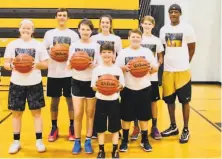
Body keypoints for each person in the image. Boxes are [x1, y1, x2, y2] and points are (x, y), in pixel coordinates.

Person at [4, 19, 49, 154]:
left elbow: (46, 64)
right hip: (17, 83)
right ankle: (16, 141)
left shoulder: (38, 45)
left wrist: (36, 65)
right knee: (16, 114)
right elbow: (6, 64)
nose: (26, 30)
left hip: (34, 83)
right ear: (19, 29)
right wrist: (13, 65)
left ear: (32, 31)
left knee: (36, 113)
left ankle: (39, 140)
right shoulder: (12, 45)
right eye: (24, 28)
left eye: (29, 28)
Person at [116, 29, 158, 152]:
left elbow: (155, 68)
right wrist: (124, 67)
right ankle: (124, 140)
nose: (135, 39)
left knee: (144, 117)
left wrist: (151, 68)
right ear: (129, 38)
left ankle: (145, 140)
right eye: (133, 37)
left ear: (141, 39)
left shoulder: (147, 52)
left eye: (137, 37)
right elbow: (117, 69)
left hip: (144, 87)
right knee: (126, 117)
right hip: (127, 88)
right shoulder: (123, 52)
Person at [159, 4, 196, 143]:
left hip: (183, 71)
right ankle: (173, 126)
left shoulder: (187, 28)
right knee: (169, 100)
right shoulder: (163, 30)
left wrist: (185, 62)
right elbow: (163, 49)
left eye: (175, 12)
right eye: (171, 12)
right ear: (169, 14)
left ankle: (186, 129)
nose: (173, 14)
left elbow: (192, 48)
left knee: (185, 101)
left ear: (180, 14)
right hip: (168, 70)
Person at [43, 8, 79, 142]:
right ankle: (54, 127)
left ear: (68, 18)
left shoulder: (74, 35)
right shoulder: (49, 34)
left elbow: (77, 53)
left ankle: (72, 127)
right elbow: (44, 51)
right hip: (53, 73)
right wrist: (54, 54)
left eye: (64, 15)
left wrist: (67, 55)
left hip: (69, 73)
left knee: (70, 101)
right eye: (60, 15)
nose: (62, 17)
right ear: (56, 17)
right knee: (54, 102)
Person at [68, 19, 100, 154]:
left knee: (90, 113)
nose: (85, 32)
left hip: (91, 82)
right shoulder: (73, 46)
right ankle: (77, 140)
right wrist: (72, 64)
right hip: (77, 81)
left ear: (91, 31)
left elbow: (100, 65)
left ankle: (88, 140)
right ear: (78, 30)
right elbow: (69, 65)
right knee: (78, 113)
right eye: (83, 29)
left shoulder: (96, 46)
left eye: (88, 29)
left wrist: (94, 66)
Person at [91, 14, 122, 139]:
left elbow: (119, 56)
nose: (105, 24)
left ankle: (115, 128)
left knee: (114, 101)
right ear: (99, 24)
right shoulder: (94, 38)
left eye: (107, 22)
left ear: (110, 24)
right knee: (98, 101)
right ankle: (96, 128)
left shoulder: (116, 39)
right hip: (99, 71)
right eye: (102, 22)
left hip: (112, 72)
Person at [91, 42, 124, 158]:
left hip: (114, 101)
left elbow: (122, 85)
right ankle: (101, 150)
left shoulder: (117, 70)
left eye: (109, 52)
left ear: (113, 54)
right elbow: (93, 87)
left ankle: (115, 150)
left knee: (115, 127)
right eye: (104, 52)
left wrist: (118, 87)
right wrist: (100, 87)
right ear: (100, 54)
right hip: (100, 100)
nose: (107, 55)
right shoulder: (97, 70)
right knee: (100, 128)